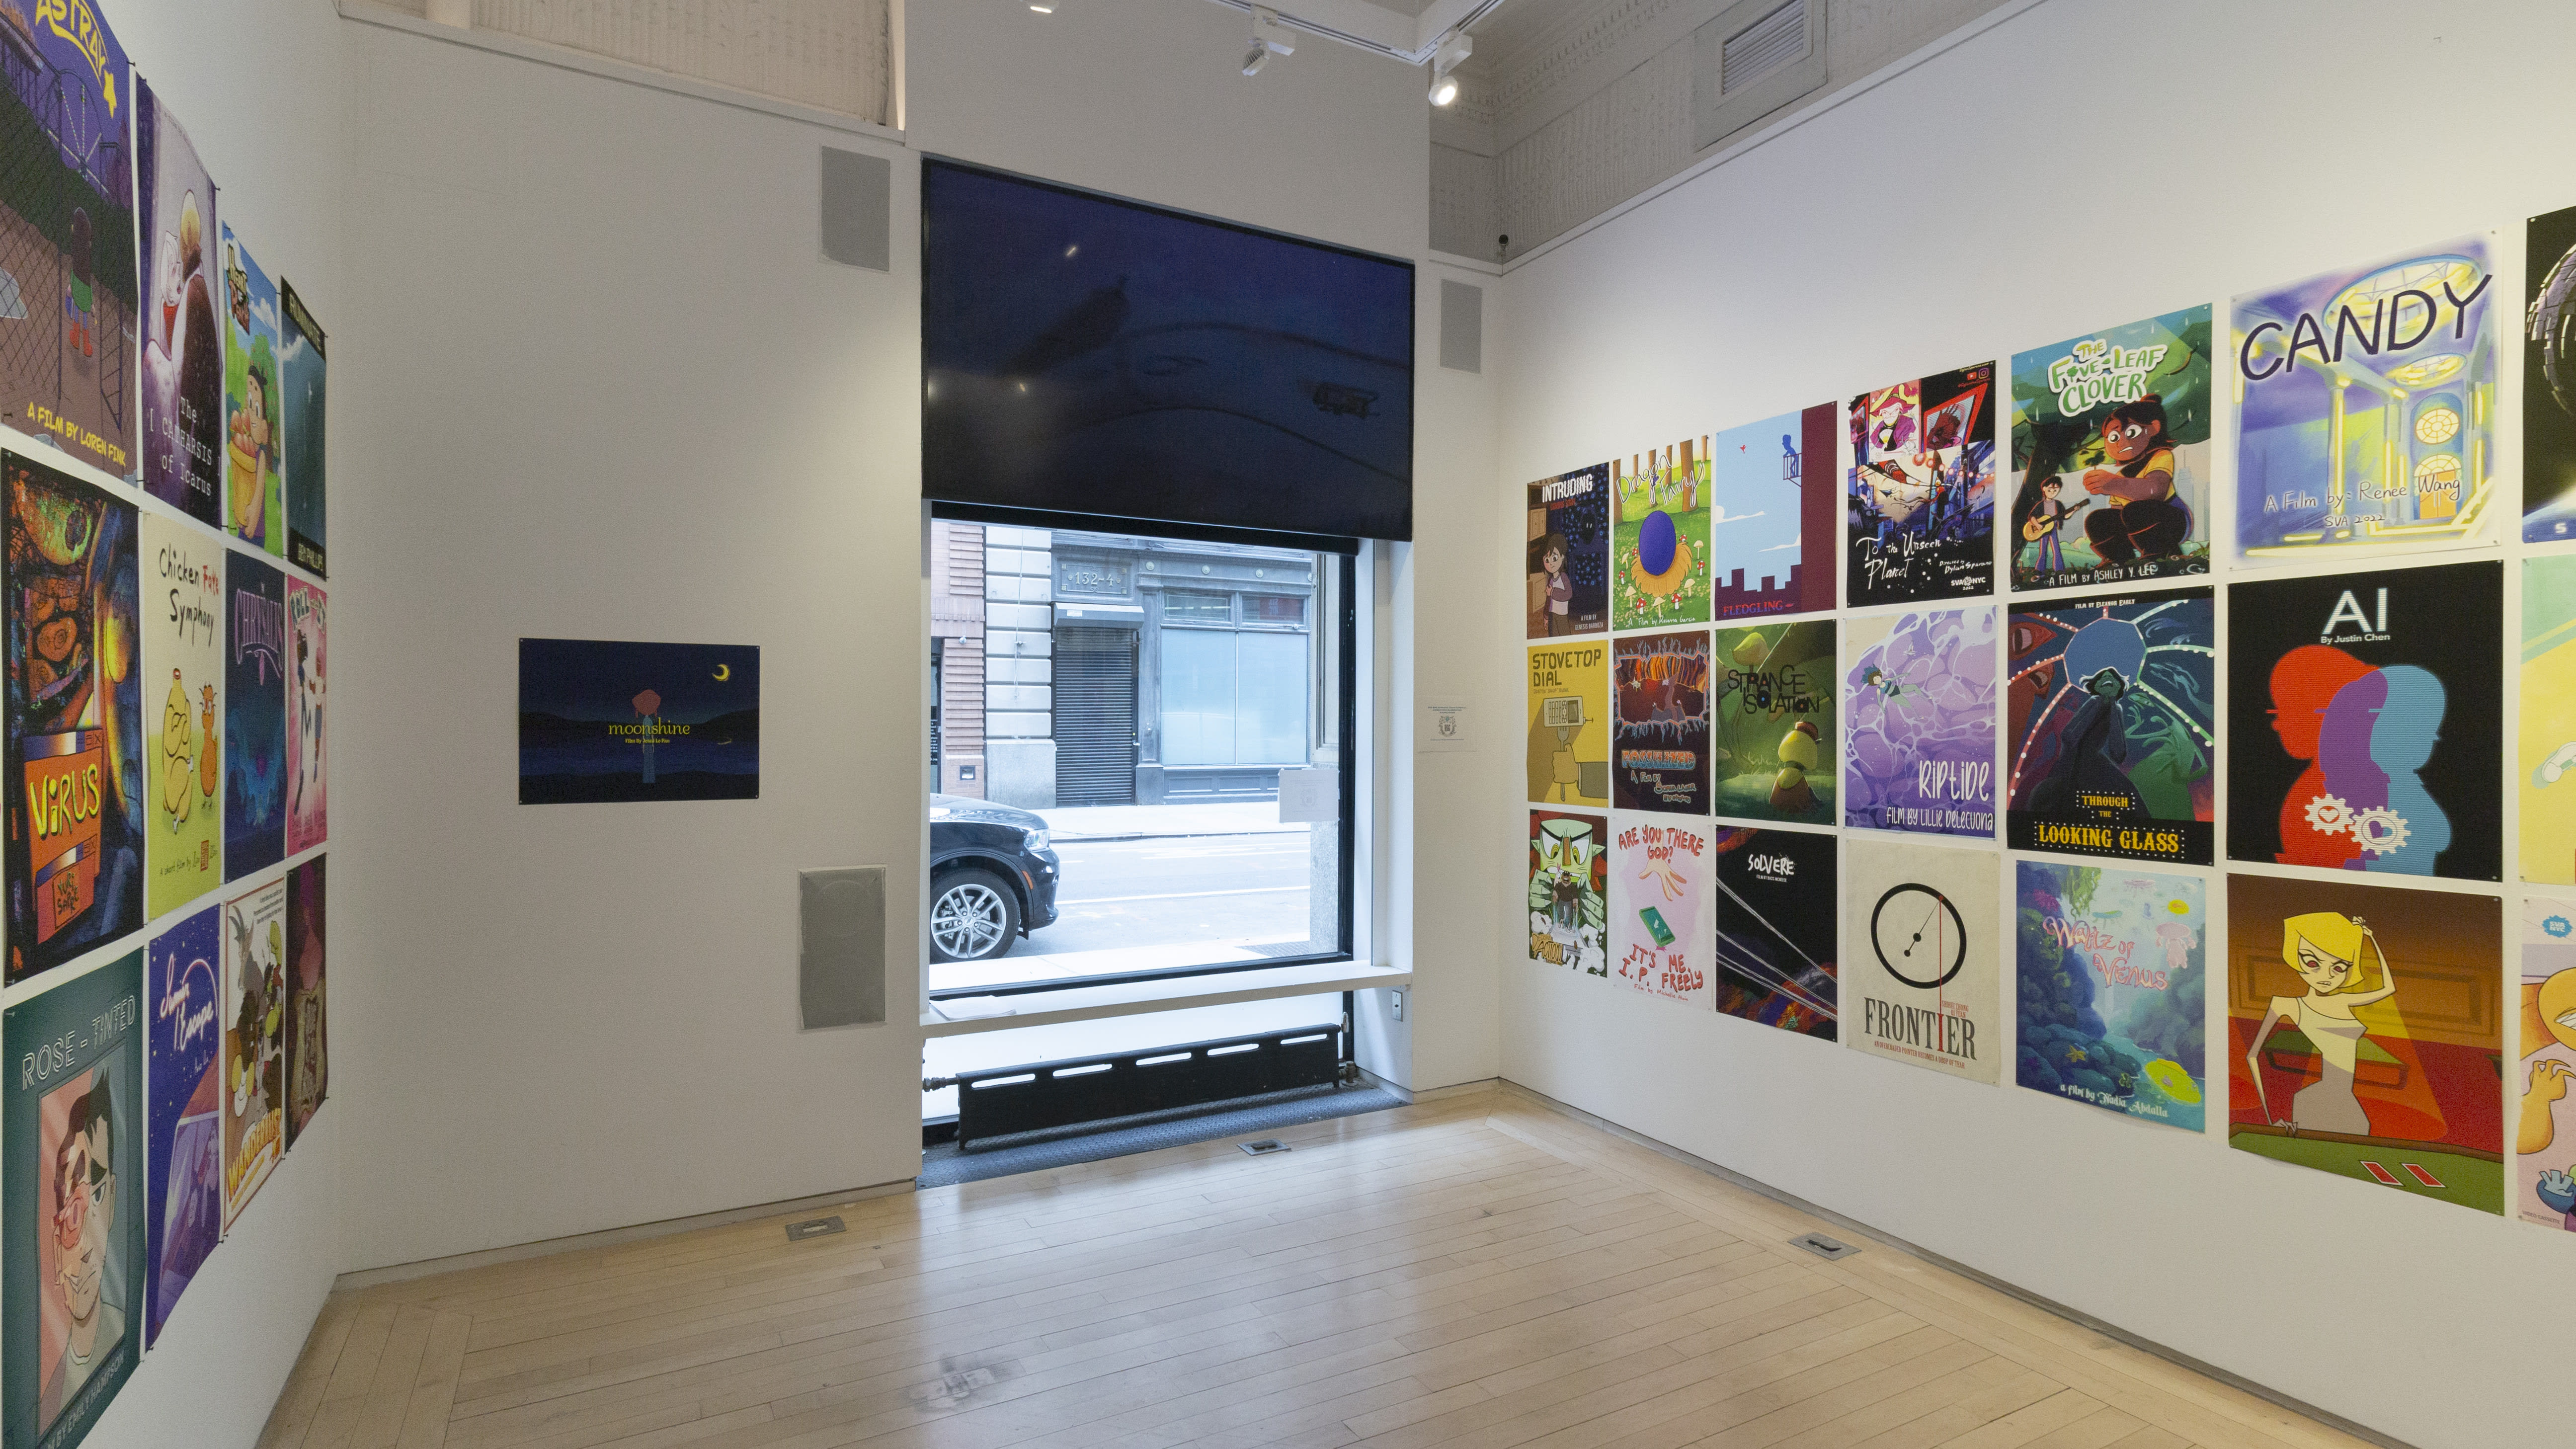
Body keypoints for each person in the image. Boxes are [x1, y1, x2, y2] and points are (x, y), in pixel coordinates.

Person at [2244, 912, 2397, 1134]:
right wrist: (2272, 1119)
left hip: (2344, 1098)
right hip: (2318, 1102)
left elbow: (2389, 988)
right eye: (2313, 962)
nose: (2326, 976)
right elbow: (2252, 1055)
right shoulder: (2286, 1005)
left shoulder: (2344, 1000)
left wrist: (2370, 939)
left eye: (2339, 968)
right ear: (2296, 959)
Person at [41, 1074, 124, 1432]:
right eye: (74, 1211)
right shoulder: (47, 1405)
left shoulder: (125, 1330)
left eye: (99, 1196)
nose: (88, 1248)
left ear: (114, 1201)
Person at [2081, 396, 2189, 564]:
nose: (2120, 443)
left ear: (2154, 428)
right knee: (2098, 520)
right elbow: (2115, 514)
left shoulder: (2161, 456)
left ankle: (2165, 553)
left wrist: (2113, 484)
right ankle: (2119, 559)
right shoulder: (2122, 475)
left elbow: (2156, 491)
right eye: (2114, 438)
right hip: (2136, 530)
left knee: (2136, 509)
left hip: (2171, 522)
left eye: (2131, 432)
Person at [1532, 531, 1574, 636]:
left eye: (1554, 558)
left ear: (1562, 558)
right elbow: (1548, 600)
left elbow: (1568, 594)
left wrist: (1554, 592)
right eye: (1547, 559)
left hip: (1562, 615)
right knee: (1553, 637)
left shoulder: (1563, 577)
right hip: (1552, 615)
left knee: (1565, 638)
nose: (1550, 563)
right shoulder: (1551, 580)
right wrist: (1546, 616)